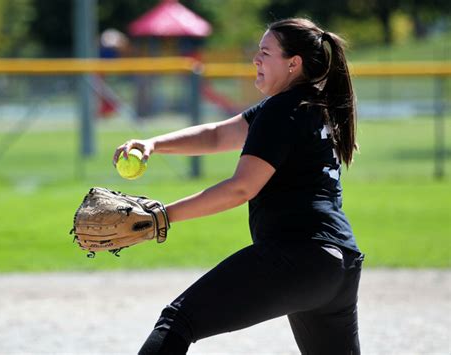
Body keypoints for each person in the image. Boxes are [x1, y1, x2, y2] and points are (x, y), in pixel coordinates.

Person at [113, 17, 364, 355]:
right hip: (337, 265)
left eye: (265, 52)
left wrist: (162, 216)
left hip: (296, 256)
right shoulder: (314, 107)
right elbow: (219, 134)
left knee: (179, 320)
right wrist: (154, 143)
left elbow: (241, 189)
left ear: (294, 63)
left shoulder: (283, 110)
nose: (256, 60)